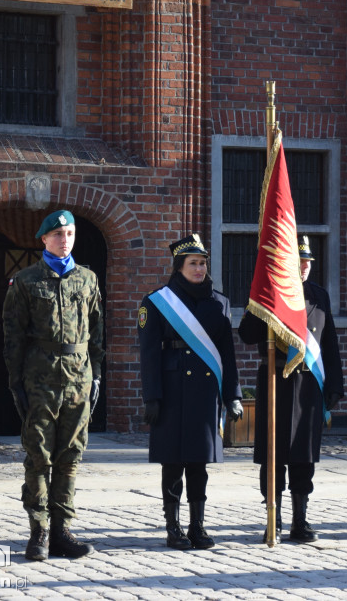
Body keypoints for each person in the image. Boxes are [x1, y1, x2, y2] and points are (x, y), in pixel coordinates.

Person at [3, 210, 104, 561]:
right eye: (58, 233)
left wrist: (98, 374)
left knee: (70, 457)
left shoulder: (88, 279)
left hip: (79, 376)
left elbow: (97, 332)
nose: (65, 239)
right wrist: (15, 382)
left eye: (70, 233)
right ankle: (39, 532)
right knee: (39, 456)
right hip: (40, 378)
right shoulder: (26, 281)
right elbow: (13, 336)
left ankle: (62, 530)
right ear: (44, 239)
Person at [139, 233, 242, 550]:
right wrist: (152, 397)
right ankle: (173, 527)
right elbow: (149, 354)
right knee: (172, 463)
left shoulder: (219, 302)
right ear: (179, 266)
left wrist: (232, 395)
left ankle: (197, 526)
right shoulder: (158, 302)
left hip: (204, 394)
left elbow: (227, 354)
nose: (199, 269)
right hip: (171, 393)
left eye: (202, 263)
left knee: (199, 464)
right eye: (193, 263)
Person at [238, 235, 344, 543]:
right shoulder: (269, 294)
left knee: (304, 455)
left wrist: (334, 384)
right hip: (276, 383)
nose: (305, 267)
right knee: (273, 455)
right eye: (299, 261)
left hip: (308, 385)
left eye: (308, 262)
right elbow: (247, 334)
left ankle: (300, 520)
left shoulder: (318, 296)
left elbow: (329, 344)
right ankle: (276, 517)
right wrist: (261, 303)